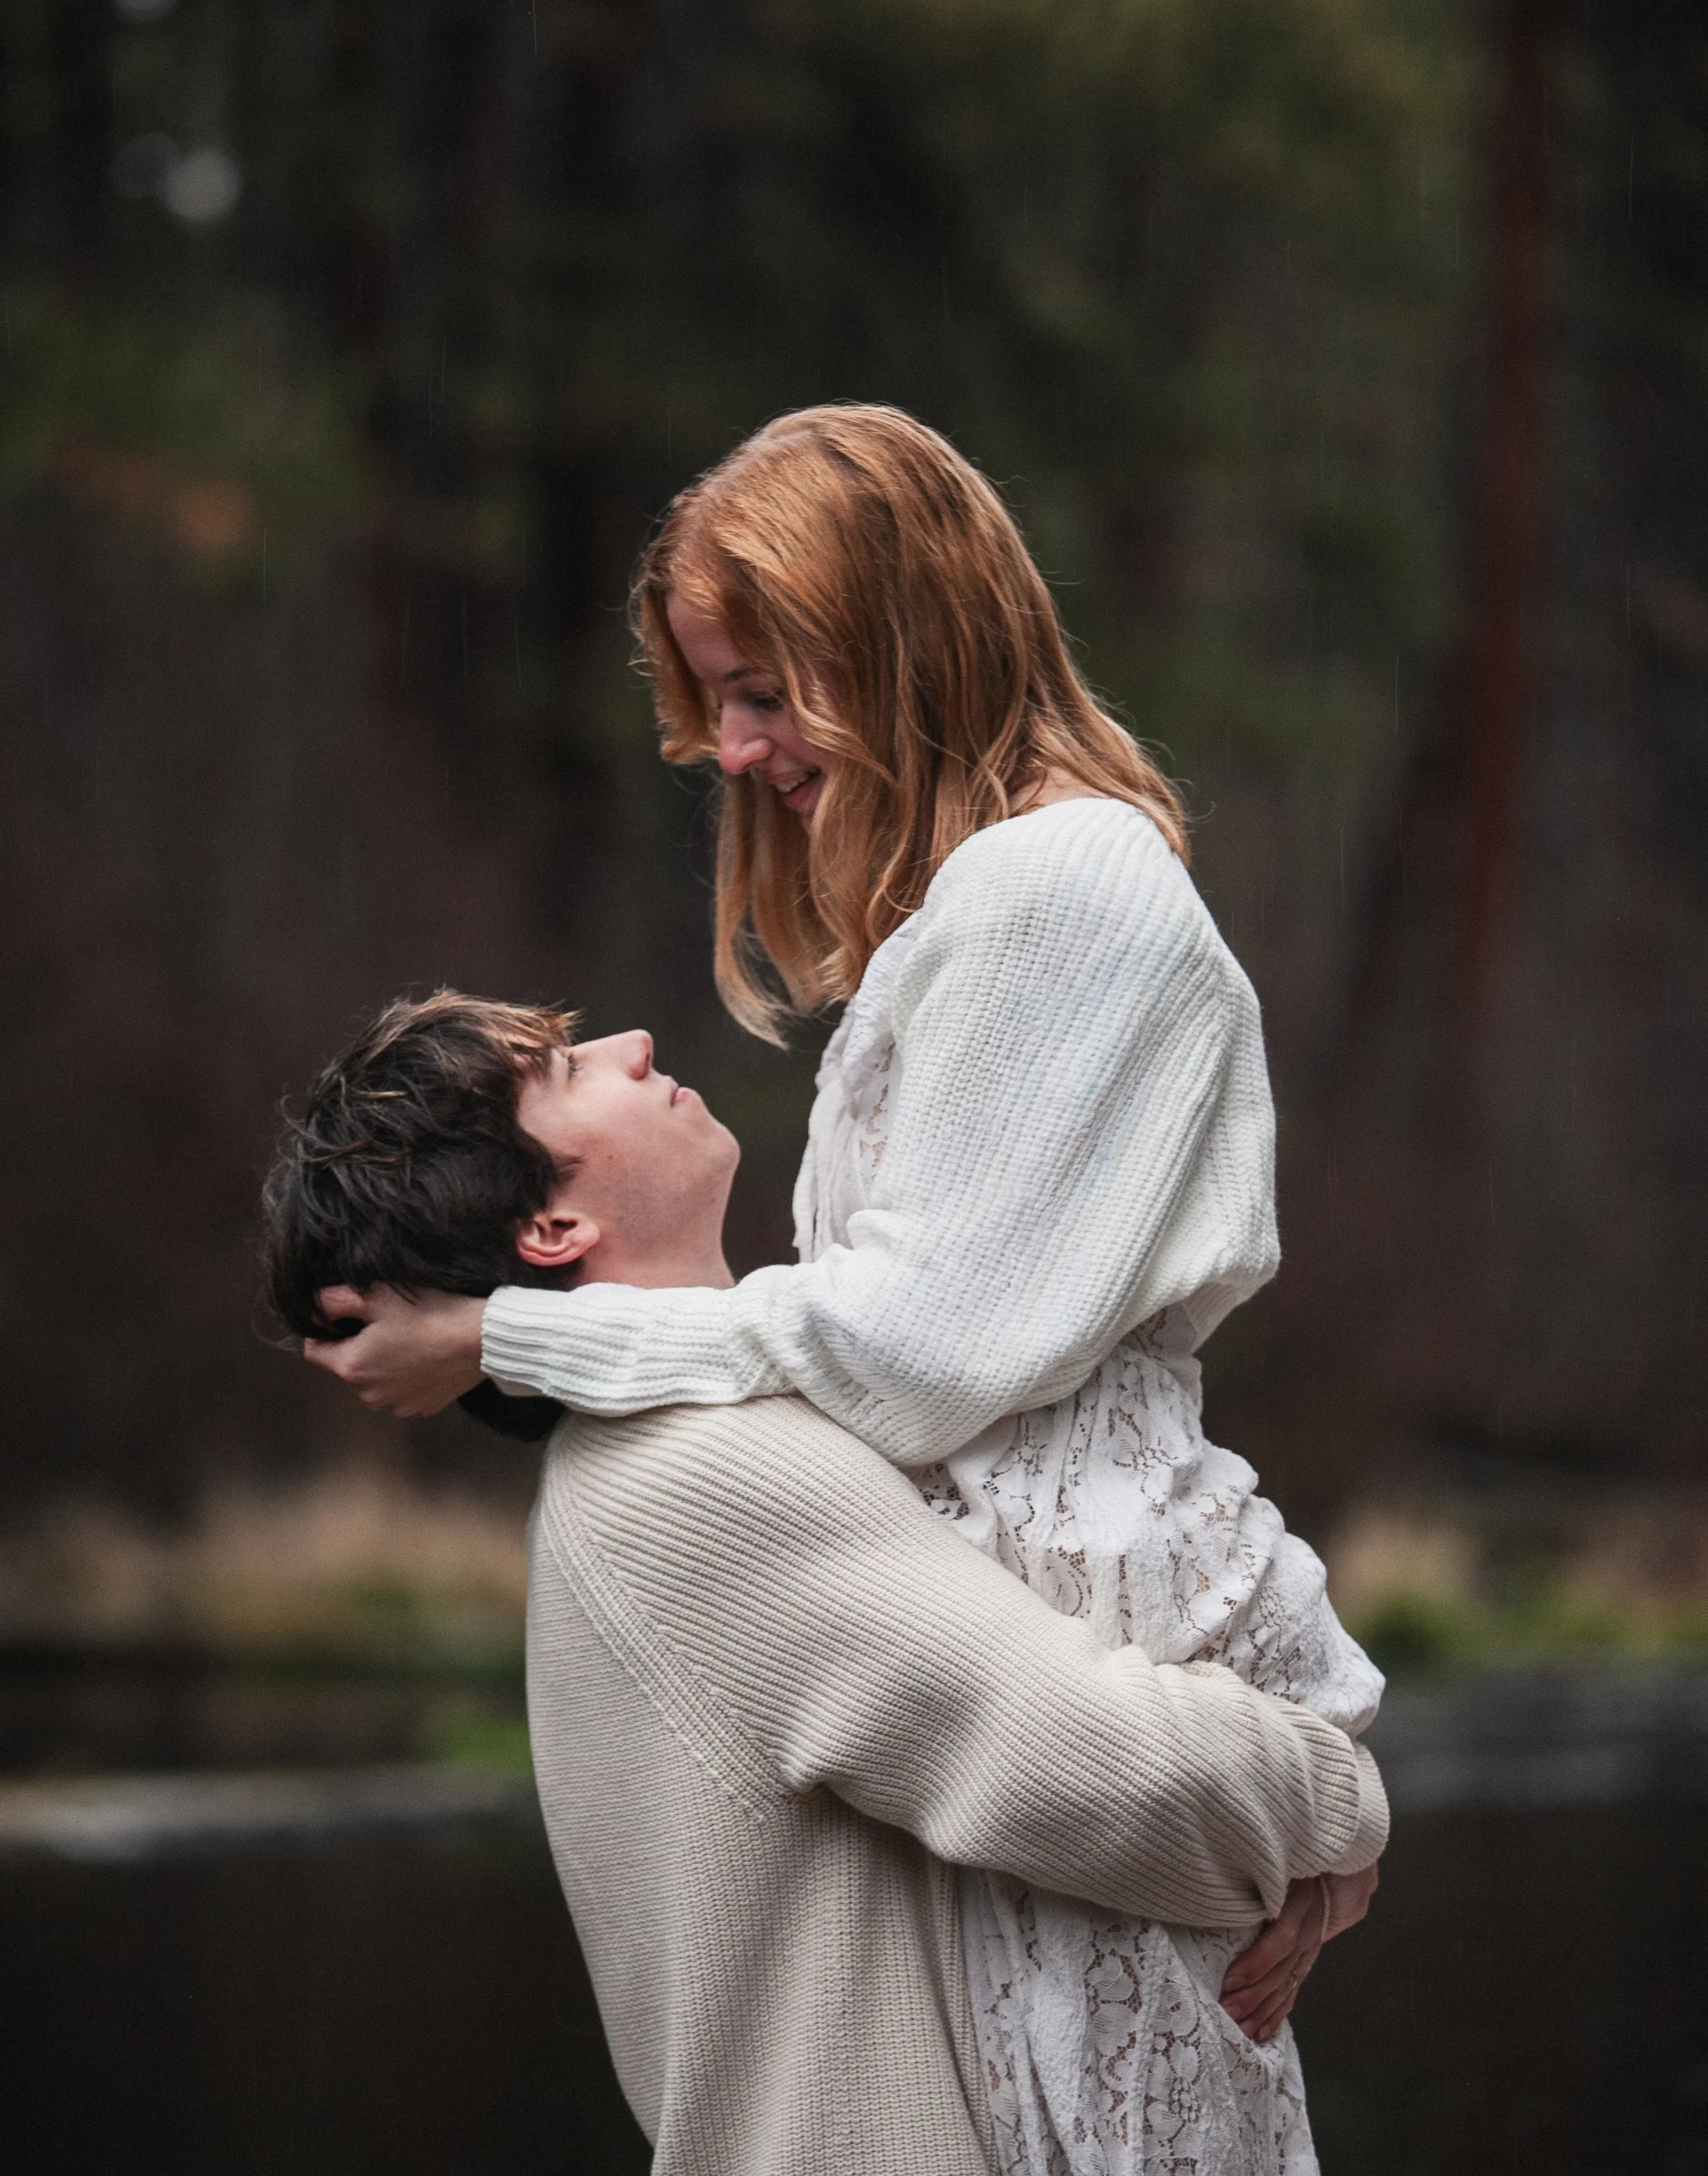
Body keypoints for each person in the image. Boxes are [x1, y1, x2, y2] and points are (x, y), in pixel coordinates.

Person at [306, 407, 1386, 2173]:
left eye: (757, 689)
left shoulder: (1060, 882)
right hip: (1067, 1687)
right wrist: (1321, 1788)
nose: (729, 750)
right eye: (713, 701)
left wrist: (509, 1335)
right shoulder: (976, 917)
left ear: (888, 637)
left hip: (1098, 1614)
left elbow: (898, 1354)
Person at [274, 991, 1387, 2176]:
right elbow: (1093, 1767)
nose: (632, 1043)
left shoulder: (642, 1461)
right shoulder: (701, 1473)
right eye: (561, 1069)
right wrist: (1342, 1806)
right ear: (551, 1225)